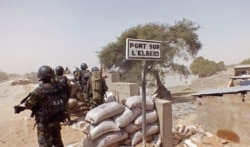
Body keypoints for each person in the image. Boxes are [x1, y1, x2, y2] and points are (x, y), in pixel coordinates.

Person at [14, 65, 68, 147]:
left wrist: (22, 107)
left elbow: (28, 105)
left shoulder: (39, 91)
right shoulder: (58, 87)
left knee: (45, 144)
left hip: (44, 123)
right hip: (56, 120)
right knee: (58, 142)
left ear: (40, 76)